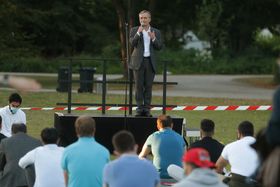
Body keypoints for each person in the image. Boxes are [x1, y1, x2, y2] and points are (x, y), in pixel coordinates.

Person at [129, 10, 163, 117]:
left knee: (148, 86)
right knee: (138, 86)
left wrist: (153, 38)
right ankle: (139, 109)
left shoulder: (156, 31)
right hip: (138, 61)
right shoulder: (134, 30)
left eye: (145, 18)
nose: (143, 20)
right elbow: (132, 43)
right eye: (141, 18)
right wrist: (138, 33)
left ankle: (147, 109)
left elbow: (159, 47)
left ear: (149, 19)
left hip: (150, 61)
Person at [61, 115, 110, 187]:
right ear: (94, 129)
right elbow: (107, 180)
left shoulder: (68, 151)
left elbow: (66, 180)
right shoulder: (104, 151)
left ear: (76, 130)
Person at [216, 121, 259, 187]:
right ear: (253, 133)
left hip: (236, 183)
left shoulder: (230, 146)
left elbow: (217, 168)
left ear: (239, 133)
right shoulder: (264, 146)